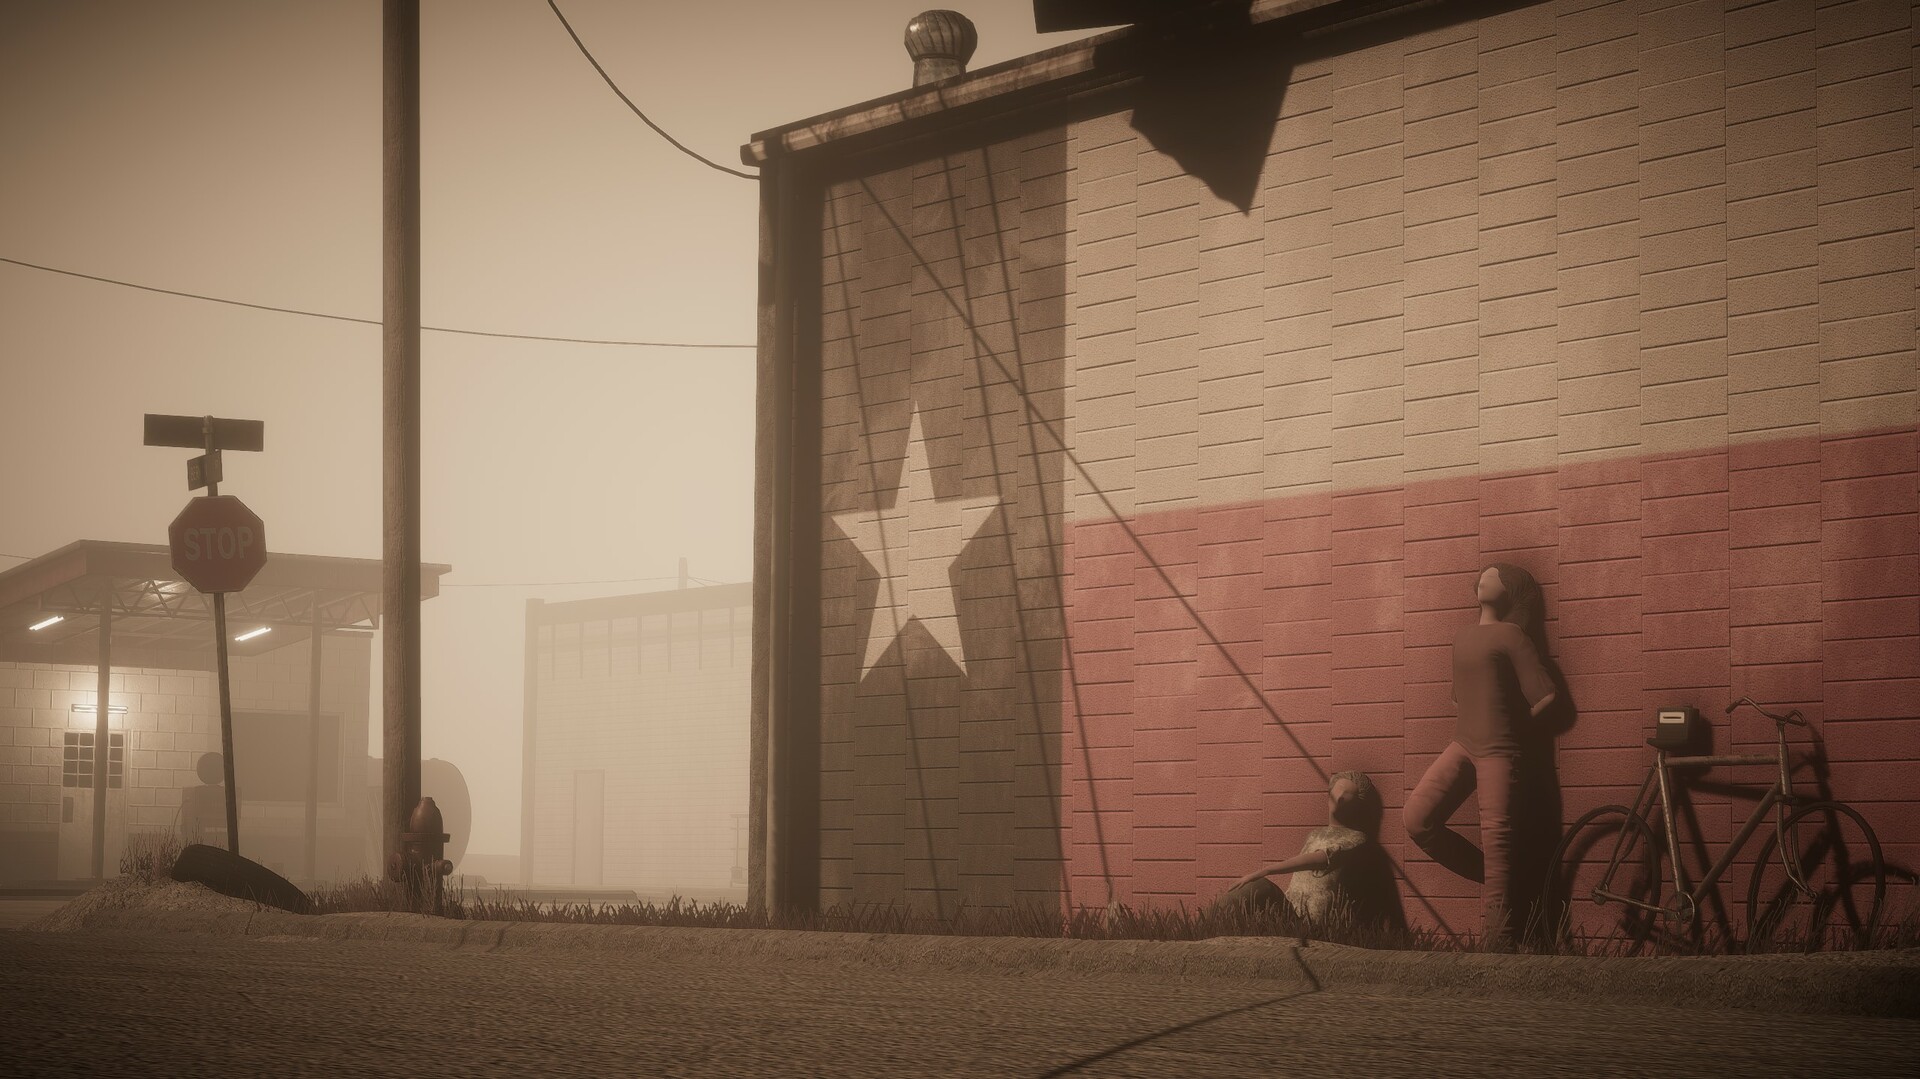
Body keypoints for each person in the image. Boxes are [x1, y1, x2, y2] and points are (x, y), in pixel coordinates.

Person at [1403, 562, 1556, 949]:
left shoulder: (1512, 635)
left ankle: (1497, 945)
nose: (1486, 577)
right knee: (1417, 818)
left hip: (1499, 753)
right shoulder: (1463, 636)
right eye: (1484, 574)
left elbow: (1546, 697)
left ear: (1510, 591)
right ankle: (1502, 880)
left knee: (1498, 841)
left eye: (1495, 576)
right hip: (1463, 745)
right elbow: (1458, 698)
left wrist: (1513, 727)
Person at [1212, 771, 1392, 928]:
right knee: (1249, 891)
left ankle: (1205, 928)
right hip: (1290, 910)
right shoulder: (1315, 834)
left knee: (1259, 885)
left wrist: (1266, 870)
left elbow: (1321, 858)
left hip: (1313, 922)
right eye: (1338, 789)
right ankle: (1207, 928)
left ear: (1358, 805)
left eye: (1349, 794)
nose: (1340, 797)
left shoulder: (1357, 839)